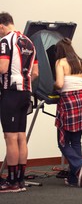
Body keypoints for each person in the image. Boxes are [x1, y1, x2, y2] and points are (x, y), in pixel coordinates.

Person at [0, 12, 39, 193]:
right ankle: (20, 180)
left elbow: (2, 68)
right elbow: (36, 72)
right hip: (26, 93)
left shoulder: (6, 41)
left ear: (1, 26)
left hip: (11, 93)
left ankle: (12, 183)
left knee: (11, 137)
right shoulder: (29, 42)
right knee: (21, 136)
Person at [54, 38, 82, 187]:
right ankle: (74, 179)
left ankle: (79, 164)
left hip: (68, 103)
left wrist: (52, 85)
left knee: (63, 142)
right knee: (76, 141)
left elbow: (59, 84)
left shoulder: (60, 62)